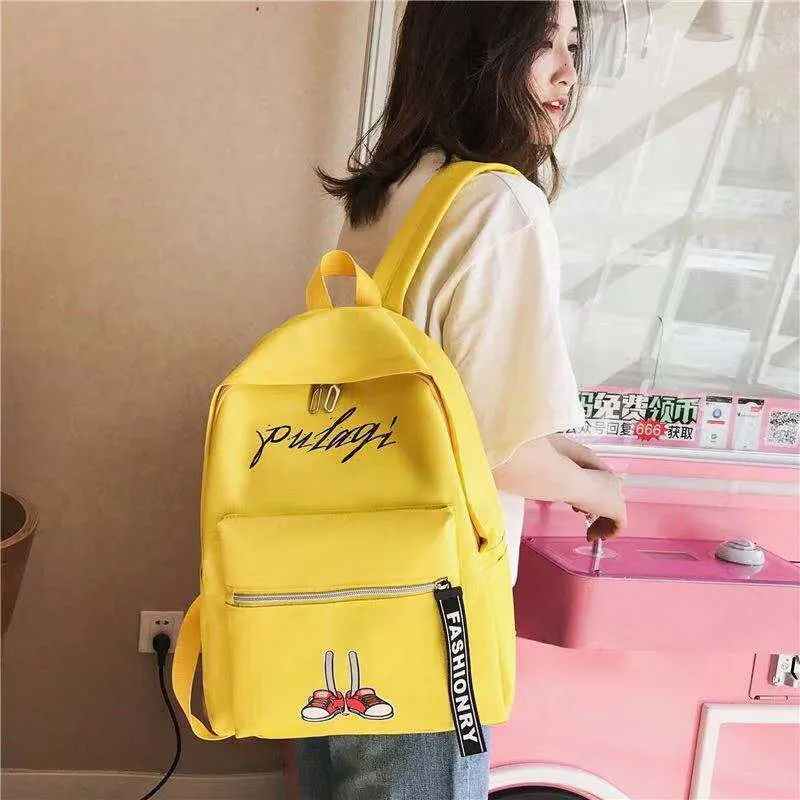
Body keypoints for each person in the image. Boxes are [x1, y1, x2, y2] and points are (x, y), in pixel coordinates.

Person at [296, 2, 627, 798]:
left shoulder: (383, 196)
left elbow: (425, 409)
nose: (568, 72)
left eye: (573, 44)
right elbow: (495, 452)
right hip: (425, 609)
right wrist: (600, 491)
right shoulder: (500, 206)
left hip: (332, 589)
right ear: (479, 48)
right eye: (541, 43)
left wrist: (560, 452)